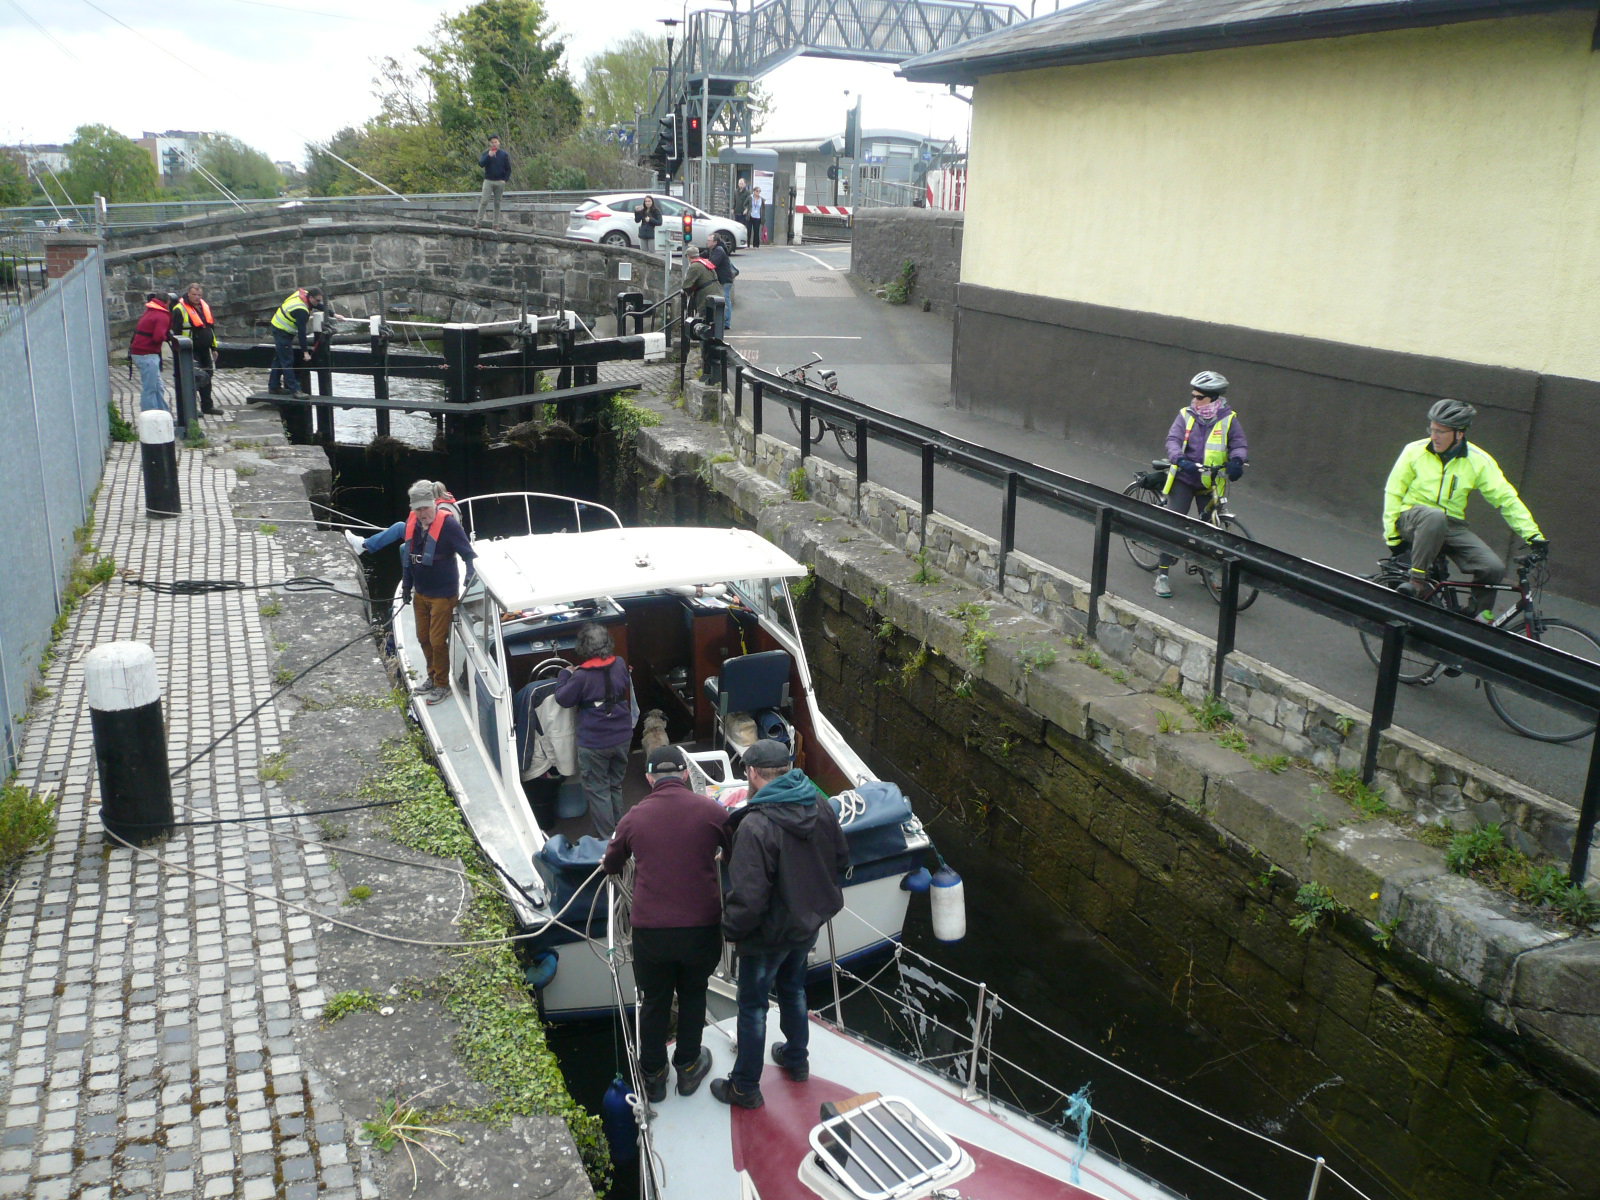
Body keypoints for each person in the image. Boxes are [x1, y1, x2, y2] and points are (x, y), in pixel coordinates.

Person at [710, 739, 849, 1111]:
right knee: (794, 988)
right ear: (786, 770)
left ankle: (745, 1087)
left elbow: (749, 897)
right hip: (807, 924)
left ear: (753, 774)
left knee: (753, 1006)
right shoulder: (818, 803)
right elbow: (840, 857)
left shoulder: (755, 826)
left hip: (767, 935)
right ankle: (796, 1059)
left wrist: (730, 930)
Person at [601, 743, 730, 1102]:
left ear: (648, 778)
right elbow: (735, 848)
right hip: (700, 929)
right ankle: (688, 1067)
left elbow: (612, 863)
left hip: (651, 933)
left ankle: (654, 1076)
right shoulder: (711, 811)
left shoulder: (634, 817)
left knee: (654, 1000)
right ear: (686, 774)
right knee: (693, 994)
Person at [1383, 399, 1545, 607]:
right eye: (1432, 429)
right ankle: (1416, 581)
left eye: (1441, 431)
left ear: (1459, 433)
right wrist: (1392, 537)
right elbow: (1393, 492)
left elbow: (1506, 499)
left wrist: (1533, 535)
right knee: (1434, 517)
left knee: (1493, 567)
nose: (1434, 437)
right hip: (1413, 518)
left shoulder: (1478, 461)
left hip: (1451, 525)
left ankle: (1475, 617)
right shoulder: (1414, 451)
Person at [1152, 370, 1248, 599]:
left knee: (1213, 530)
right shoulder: (1185, 415)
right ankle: (1162, 574)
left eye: (1200, 397)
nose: (1194, 400)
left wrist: (1237, 460)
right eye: (1193, 396)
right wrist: (1180, 459)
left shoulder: (1228, 419)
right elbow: (1173, 440)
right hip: (1185, 478)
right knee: (1174, 523)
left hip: (1211, 481)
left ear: (1214, 398)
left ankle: (1210, 570)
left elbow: (1239, 444)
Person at [553, 623, 638, 838]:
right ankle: (621, 831)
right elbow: (623, 683)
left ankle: (608, 842)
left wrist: (564, 674)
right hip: (622, 737)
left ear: (583, 647)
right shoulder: (619, 664)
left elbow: (563, 698)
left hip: (594, 742)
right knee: (615, 786)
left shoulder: (580, 676)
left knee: (599, 791)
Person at [399, 478, 477, 705]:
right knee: (422, 637)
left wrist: (469, 573)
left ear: (434, 503)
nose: (422, 513)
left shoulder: (449, 525)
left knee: (436, 640)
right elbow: (408, 560)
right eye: (418, 509)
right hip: (420, 592)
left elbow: (468, 554)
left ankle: (443, 684)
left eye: (425, 507)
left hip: (443, 593)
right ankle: (432, 676)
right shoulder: (413, 524)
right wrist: (406, 586)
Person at [346, 481, 457, 557]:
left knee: (399, 527)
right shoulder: (449, 504)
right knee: (404, 547)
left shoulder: (442, 510)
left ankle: (364, 545)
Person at [169, 281, 219, 414]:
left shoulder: (204, 307)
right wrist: (179, 351)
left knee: (207, 376)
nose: (197, 297)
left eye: (199, 294)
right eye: (194, 294)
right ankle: (191, 408)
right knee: (193, 379)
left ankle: (207, 406)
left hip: (205, 349)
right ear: (188, 294)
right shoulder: (179, 309)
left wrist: (214, 348)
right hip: (189, 350)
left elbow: (211, 329)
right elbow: (176, 332)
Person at [267, 286, 323, 398]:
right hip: (282, 331)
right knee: (287, 360)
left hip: (278, 325)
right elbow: (302, 334)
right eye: (317, 300)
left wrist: (333, 314)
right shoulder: (302, 311)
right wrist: (305, 352)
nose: (318, 303)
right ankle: (295, 390)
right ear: (310, 298)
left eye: (320, 300)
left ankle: (274, 387)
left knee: (279, 358)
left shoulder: (305, 295)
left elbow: (318, 305)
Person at [129, 293, 172, 413]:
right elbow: (158, 337)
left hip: (140, 353)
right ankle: (150, 416)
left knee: (158, 387)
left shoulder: (150, 311)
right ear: (167, 302)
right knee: (151, 388)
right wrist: (166, 336)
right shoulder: (162, 315)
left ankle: (163, 413)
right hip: (147, 355)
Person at [476, 135, 510, 228]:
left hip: (500, 182)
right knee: (484, 201)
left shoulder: (504, 154)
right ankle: (478, 223)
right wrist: (488, 156)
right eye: (492, 142)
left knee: (497, 203)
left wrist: (505, 180)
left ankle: (496, 224)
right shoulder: (486, 153)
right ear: (490, 144)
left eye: (495, 142)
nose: (494, 144)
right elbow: (481, 164)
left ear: (499, 143)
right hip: (488, 181)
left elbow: (508, 169)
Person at [681, 245, 719, 320]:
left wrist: (686, 292)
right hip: (717, 291)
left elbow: (687, 285)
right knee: (716, 318)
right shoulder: (705, 262)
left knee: (705, 317)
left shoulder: (695, 266)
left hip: (705, 294)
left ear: (688, 256)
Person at [708, 238, 736, 330]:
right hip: (723, 279)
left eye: (709, 241)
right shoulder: (714, 250)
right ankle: (723, 321)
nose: (707, 242)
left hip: (725, 280)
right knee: (723, 299)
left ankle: (726, 322)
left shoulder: (719, 250)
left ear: (715, 242)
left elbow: (712, 263)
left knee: (725, 299)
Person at [733, 178, 751, 245]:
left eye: (742, 183)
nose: (741, 185)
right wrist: (733, 208)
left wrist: (746, 209)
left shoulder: (747, 192)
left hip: (743, 213)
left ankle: (745, 243)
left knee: (743, 228)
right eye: (740, 183)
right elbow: (734, 201)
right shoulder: (735, 191)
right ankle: (737, 242)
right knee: (737, 228)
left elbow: (749, 202)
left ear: (745, 184)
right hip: (737, 212)